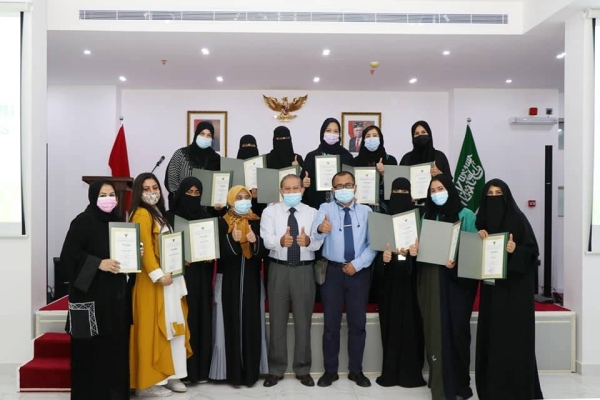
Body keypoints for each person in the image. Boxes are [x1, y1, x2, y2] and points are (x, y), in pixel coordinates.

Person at [59, 180, 129, 400]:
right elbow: (68, 258)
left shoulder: (118, 222)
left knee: (113, 352)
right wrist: (98, 263)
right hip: (87, 301)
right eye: (102, 194)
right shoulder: (82, 222)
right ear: (92, 197)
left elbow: (122, 259)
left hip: (112, 300)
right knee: (86, 354)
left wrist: (135, 253)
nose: (108, 199)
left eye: (111, 194)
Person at [475, 179, 544, 400]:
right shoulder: (480, 223)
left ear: (507, 197)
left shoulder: (518, 219)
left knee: (514, 341)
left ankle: (518, 390)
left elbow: (533, 253)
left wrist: (515, 250)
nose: (494, 197)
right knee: (493, 339)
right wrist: (477, 241)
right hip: (492, 293)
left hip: (515, 295)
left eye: (499, 193)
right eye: (490, 194)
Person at [414, 174, 478, 400]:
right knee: (436, 331)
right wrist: (415, 250)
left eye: (440, 188)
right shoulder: (427, 215)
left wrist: (457, 260)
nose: (436, 193)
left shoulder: (466, 215)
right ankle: (441, 382)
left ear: (449, 189)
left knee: (458, 331)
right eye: (432, 191)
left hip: (459, 283)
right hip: (432, 278)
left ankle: (461, 383)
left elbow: (473, 248)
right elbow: (421, 247)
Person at [312, 171, 377, 388]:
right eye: (339, 186)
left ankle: (356, 371)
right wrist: (321, 229)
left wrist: (357, 264)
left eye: (348, 185)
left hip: (359, 273)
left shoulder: (367, 211)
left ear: (355, 187)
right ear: (332, 190)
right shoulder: (324, 209)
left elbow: (373, 244)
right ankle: (330, 371)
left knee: (357, 324)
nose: (344, 189)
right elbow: (314, 236)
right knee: (331, 325)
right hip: (332, 273)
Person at [129, 173, 192, 397]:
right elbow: (144, 250)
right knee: (154, 330)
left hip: (171, 281)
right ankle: (148, 382)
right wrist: (157, 275)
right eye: (146, 189)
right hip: (154, 284)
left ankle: (171, 374)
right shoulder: (141, 214)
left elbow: (166, 246)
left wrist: (181, 258)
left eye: (155, 187)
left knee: (173, 328)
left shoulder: (158, 214)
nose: (152, 192)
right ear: (138, 192)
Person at [260, 174, 323, 388]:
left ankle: (303, 369)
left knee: (303, 322)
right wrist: (280, 241)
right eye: (287, 189)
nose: (292, 192)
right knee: (277, 321)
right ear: (281, 190)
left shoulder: (313, 212)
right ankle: (276, 369)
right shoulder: (270, 212)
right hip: (279, 268)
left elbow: (318, 240)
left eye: (296, 188)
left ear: (302, 190)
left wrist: (309, 241)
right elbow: (266, 239)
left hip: (304, 271)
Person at [209, 185, 268, 387]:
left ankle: (251, 372)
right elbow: (216, 252)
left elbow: (263, 254)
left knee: (251, 322)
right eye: (239, 197)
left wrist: (254, 242)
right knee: (229, 323)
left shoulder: (256, 221)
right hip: (229, 282)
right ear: (230, 200)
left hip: (251, 281)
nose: (243, 200)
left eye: (247, 197)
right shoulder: (220, 222)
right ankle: (232, 373)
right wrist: (231, 240)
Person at [375, 178, 426, 388]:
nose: (400, 194)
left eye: (404, 191)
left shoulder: (421, 220)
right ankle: (390, 371)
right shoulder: (382, 220)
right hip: (390, 286)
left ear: (411, 195)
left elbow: (428, 252)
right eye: (396, 190)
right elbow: (375, 255)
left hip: (413, 282)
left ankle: (411, 372)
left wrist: (414, 253)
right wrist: (384, 259)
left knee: (413, 325)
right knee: (390, 324)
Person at [165, 176, 213, 384]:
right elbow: (164, 247)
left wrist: (211, 254)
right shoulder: (169, 218)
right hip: (178, 278)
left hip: (200, 276)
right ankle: (179, 371)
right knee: (182, 319)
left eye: (197, 193)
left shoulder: (205, 215)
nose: (193, 196)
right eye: (189, 192)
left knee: (200, 318)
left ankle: (199, 371)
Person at [165, 121, 221, 207]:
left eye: (209, 135)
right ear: (196, 135)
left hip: (206, 211)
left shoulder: (216, 159)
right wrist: (181, 199)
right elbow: (171, 180)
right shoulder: (181, 154)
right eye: (202, 134)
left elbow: (218, 185)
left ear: (212, 139)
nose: (205, 137)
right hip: (182, 208)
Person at [301, 118, 354, 209]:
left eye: (335, 131)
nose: (332, 134)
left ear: (339, 134)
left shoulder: (347, 156)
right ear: (322, 133)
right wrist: (304, 182)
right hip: (316, 205)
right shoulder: (311, 156)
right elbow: (302, 183)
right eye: (328, 130)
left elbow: (351, 181)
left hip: (341, 205)